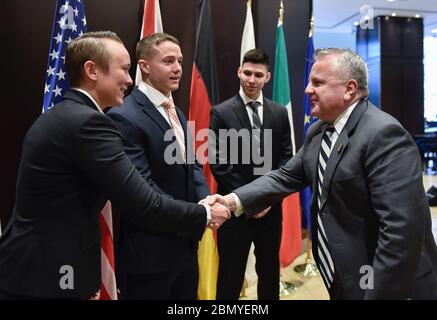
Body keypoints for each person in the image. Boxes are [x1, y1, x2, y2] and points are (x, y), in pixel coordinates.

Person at [0, 31, 229, 300]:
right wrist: (203, 214)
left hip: (37, 267)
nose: (130, 80)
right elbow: (143, 202)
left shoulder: (64, 115)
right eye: (124, 69)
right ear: (92, 70)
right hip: (51, 271)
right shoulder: (89, 124)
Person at [210, 48, 437, 299]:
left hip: (381, 283)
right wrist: (232, 202)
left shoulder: (383, 134)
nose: (308, 90)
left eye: (317, 83)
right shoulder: (319, 131)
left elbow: (400, 234)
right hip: (343, 276)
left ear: (349, 89)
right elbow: (285, 176)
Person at [107, 33, 210, 300]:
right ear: (144, 66)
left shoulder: (177, 111)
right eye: (168, 61)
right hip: (150, 255)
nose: (178, 68)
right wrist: (198, 214)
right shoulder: (124, 116)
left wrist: (207, 202)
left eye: (180, 61)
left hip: (186, 247)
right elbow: (143, 188)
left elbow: (193, 165)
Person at [209, 48, 292, 300]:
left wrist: (265, 199)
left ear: (267, 77)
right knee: (230, 277)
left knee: (269, 275)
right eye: (247, 73)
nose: (251, 80)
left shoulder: (279, 113)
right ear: (239, 72)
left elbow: (286, 160)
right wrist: (249, 201)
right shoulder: (221, 112)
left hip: (270, 210)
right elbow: (218, 162)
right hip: (233, 210)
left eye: (258, 74)